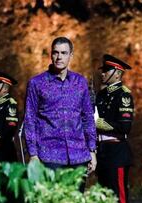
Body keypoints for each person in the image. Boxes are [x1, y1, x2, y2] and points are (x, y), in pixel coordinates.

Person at [23, 37, 97, 191]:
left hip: (79, 155)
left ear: (71, 56)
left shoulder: (80, 82)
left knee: (76, 199)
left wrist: (92, 150)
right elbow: (30, 120)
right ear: (51, 55)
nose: (59, 57)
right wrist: (33, 154)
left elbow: (87, 117)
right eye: (55, 53)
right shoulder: (36, 83)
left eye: (64, 53)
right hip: (49, 155)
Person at [95, 54, 133, 203]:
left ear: (117, 73)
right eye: (103, 70)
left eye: (107, 70)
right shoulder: (101, 94)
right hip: (102, 151)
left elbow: (124, 127)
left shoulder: (123, 95)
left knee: (118, 197)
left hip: (116, 152)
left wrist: (98, 123)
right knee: (103, 197)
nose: (102, 73)